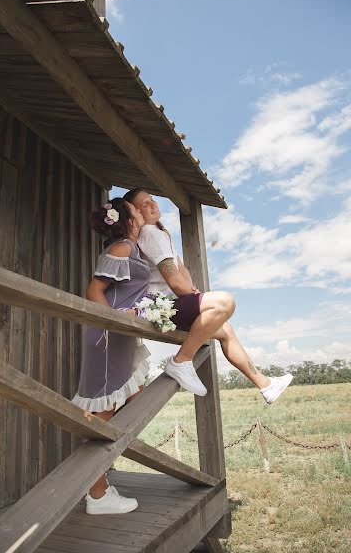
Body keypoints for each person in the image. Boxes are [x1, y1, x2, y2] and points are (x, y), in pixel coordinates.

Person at [123, 189, 293, 403]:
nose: (153, 204)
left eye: (152, 199)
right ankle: (181, 361)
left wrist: (195, 294)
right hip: (158, 307)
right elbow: (174, 281)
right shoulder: (151, 234)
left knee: (224, 328)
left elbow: (179, 268)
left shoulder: (159, 231)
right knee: (224, 303)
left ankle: (266, 385)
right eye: (145, 204)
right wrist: (197, 299)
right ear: (136, 213)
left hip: (169, 304)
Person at [72, 197, 150, 515]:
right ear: (128, 220)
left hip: (118, 336)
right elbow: (94, 291)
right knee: (103, 410)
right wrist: (115, 325)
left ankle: (99, 483)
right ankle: (98, 496)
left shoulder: (133, 249)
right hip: (108, 335)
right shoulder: (121, 248)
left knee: (135, 399)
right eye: (137, 209)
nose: (142, 212)